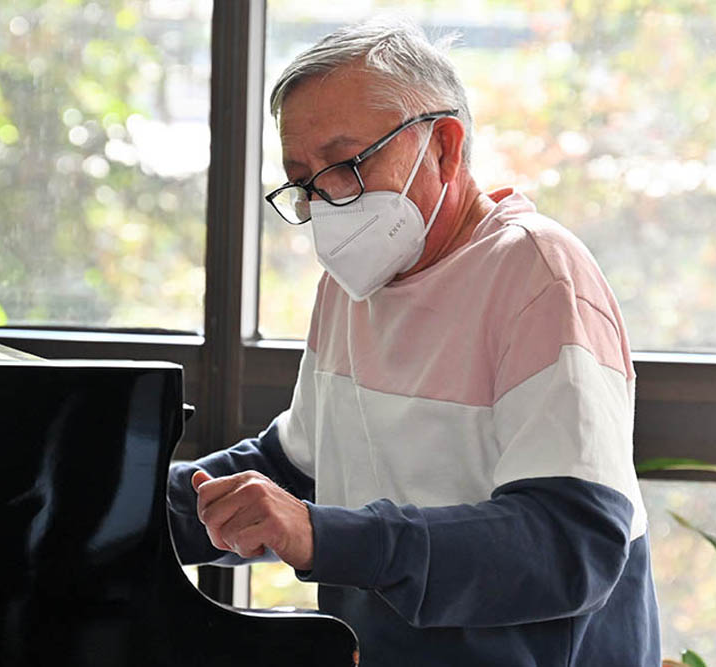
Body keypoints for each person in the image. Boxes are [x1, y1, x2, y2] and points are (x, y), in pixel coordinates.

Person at [167, 17, 661, 666]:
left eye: (345, 164)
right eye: (304, 181)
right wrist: (115, 496)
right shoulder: (351, 284)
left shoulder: (538, 275)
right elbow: (298, 469)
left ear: (445, 147)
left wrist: (322, 534)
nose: (327, 201)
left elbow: (569, 545)